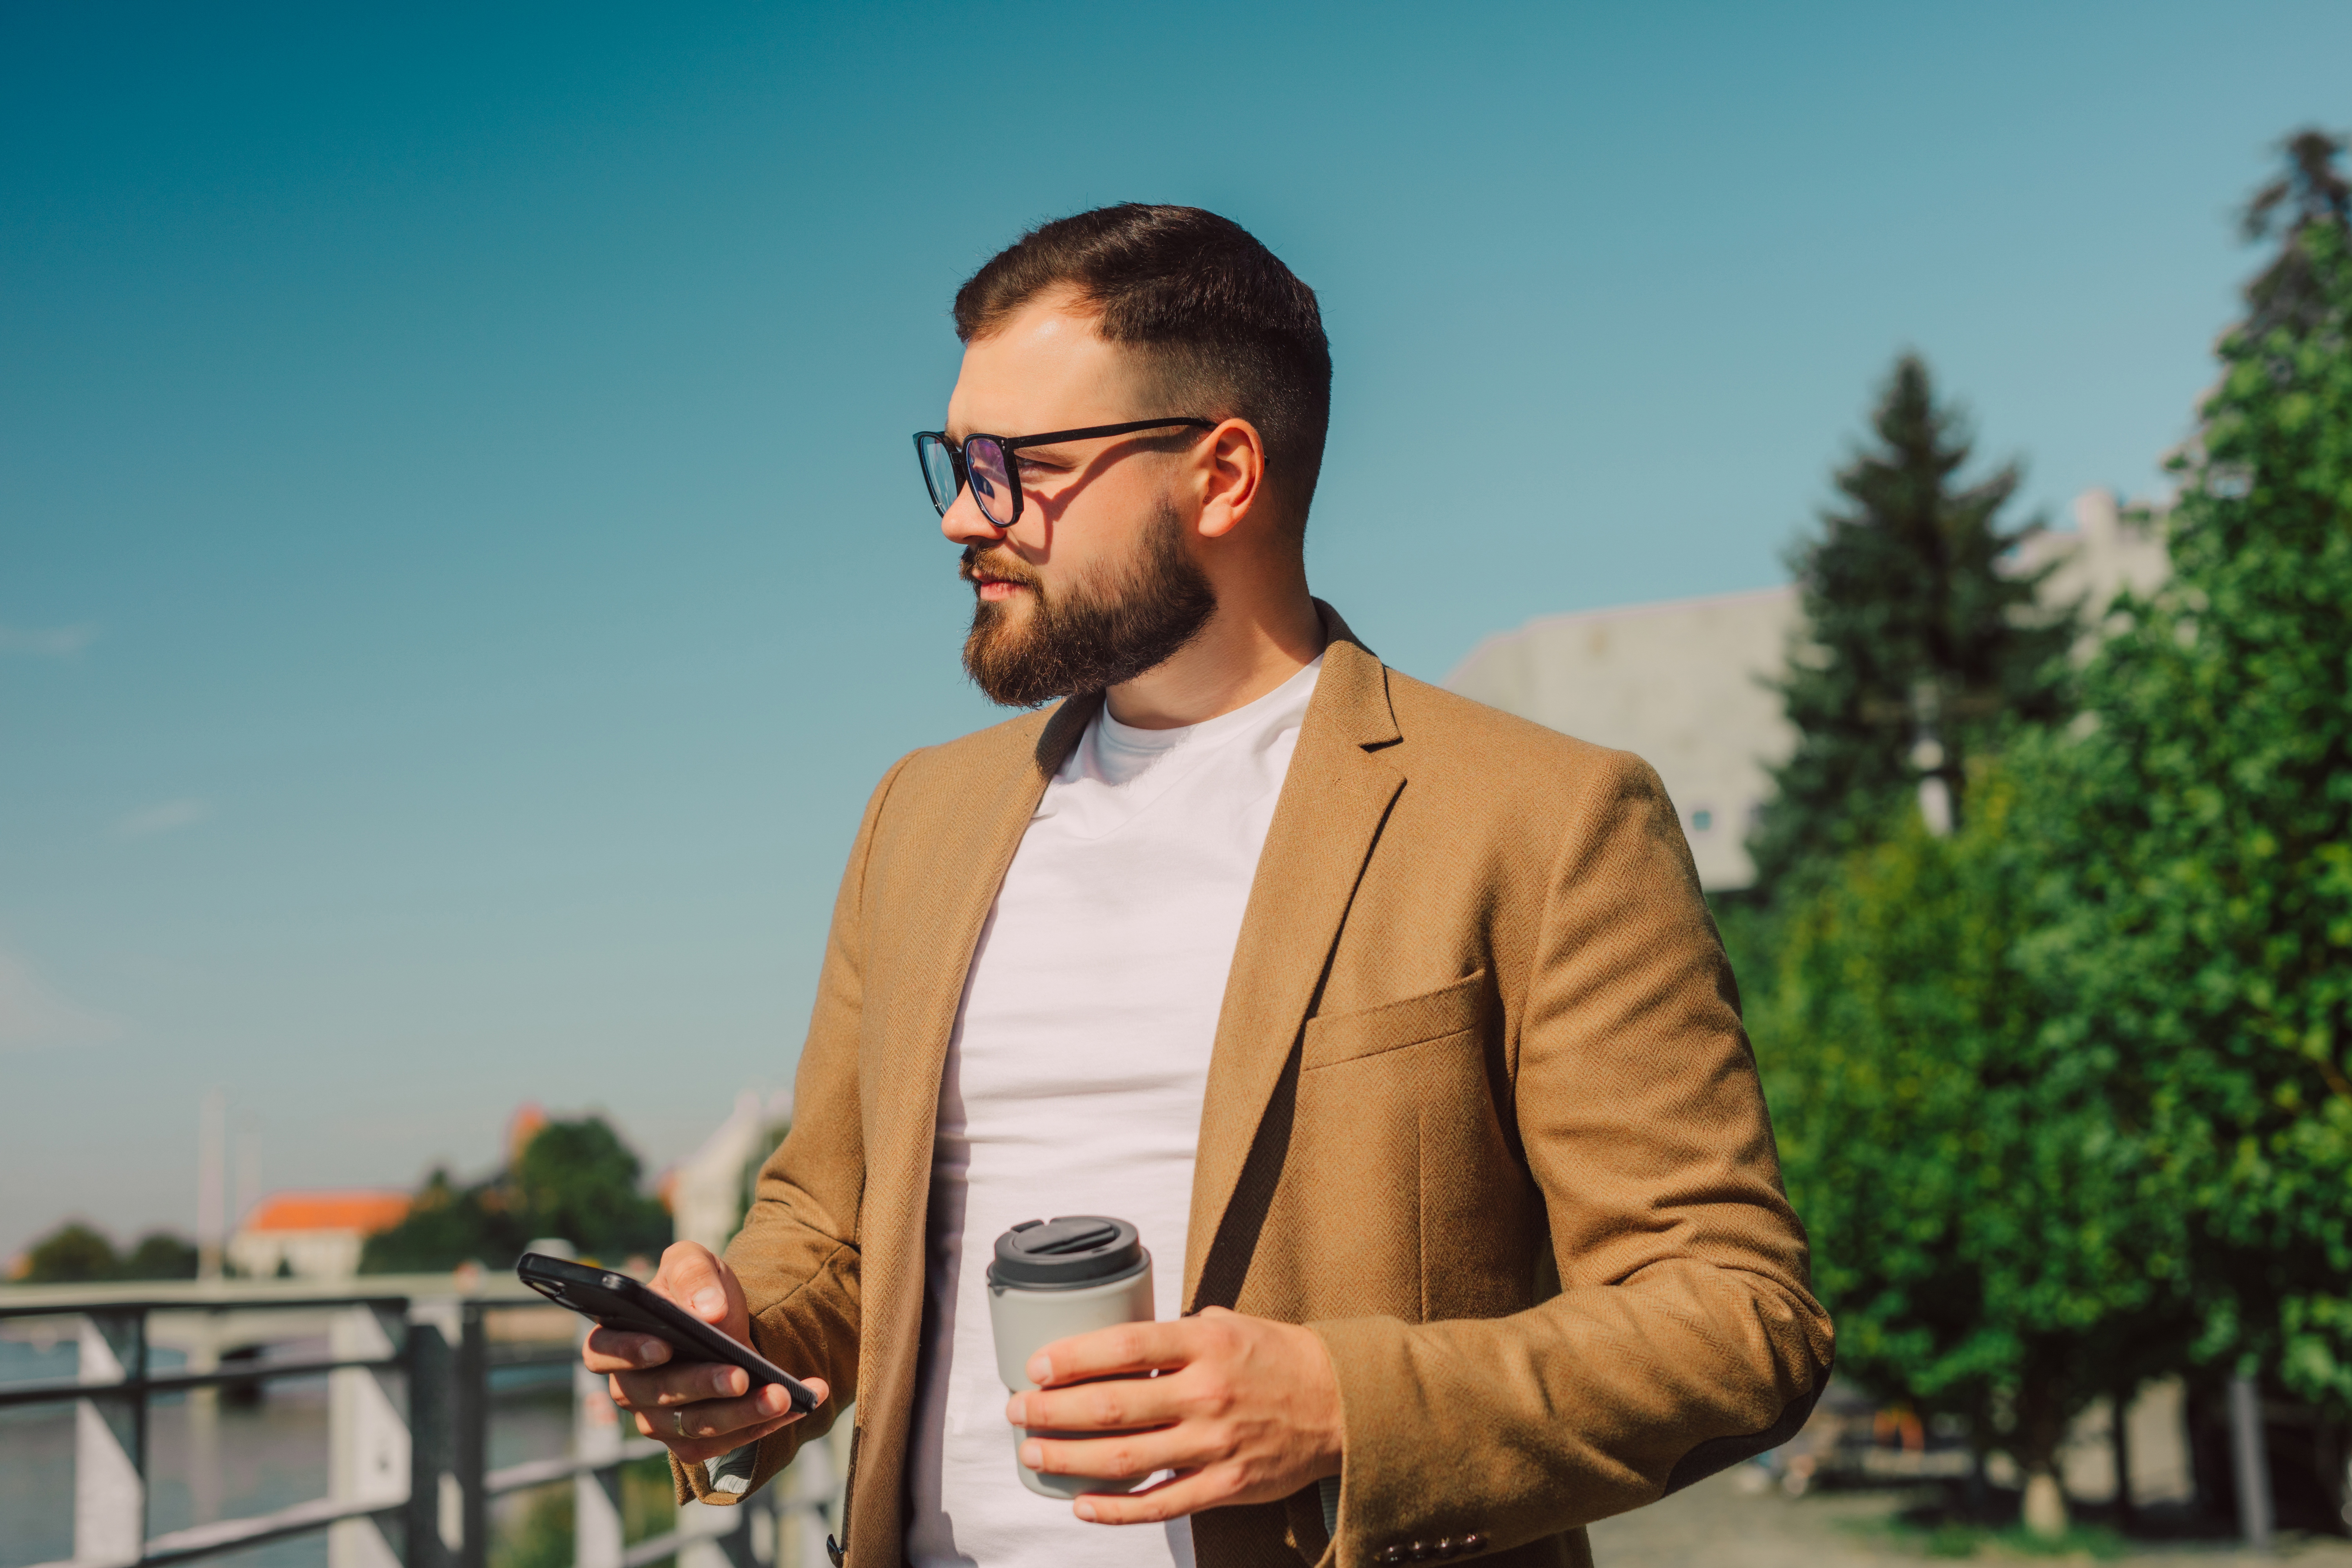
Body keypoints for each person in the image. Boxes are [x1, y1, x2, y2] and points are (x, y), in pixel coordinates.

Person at [582, 204, 1832, 1568]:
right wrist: (736, 1323)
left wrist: (1344, 1407)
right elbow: (829, 1226)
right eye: (955, 458)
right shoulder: (916, 818)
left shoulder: (1545, 819)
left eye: (1013, 464)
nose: (959, 512)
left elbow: (1735, 1315)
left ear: (1223, 472)